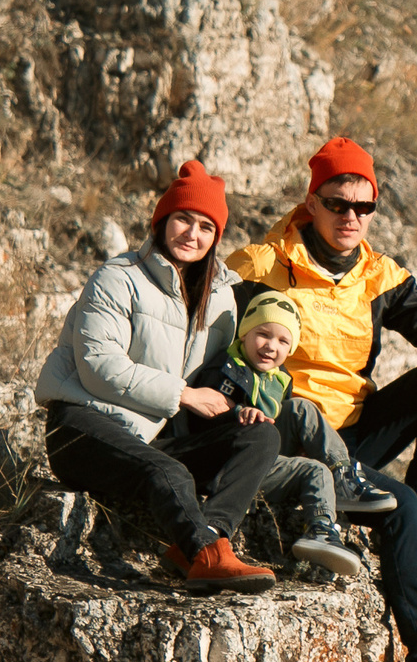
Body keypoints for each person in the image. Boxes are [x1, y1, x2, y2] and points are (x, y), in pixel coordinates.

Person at [225, 136, 417, 662]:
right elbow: (209, 334)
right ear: (311, 201)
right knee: (391, 504)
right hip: (288, 431)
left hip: (352, 432)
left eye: (364, 206)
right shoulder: (264, 264)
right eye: (337, 203)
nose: (351, 217)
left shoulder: (378, 274)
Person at [33, 159, 280, 594]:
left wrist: (239, 411)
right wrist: (184, 394)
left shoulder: (221, 298)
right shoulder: (118, 277)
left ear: (216, 237)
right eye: (183, 219)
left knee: (260, 436)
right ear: (162, 221)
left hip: (151, 433)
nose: (192, 234)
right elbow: (98, 367)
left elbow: (218, 374)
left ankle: (209, 540)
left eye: (206, 227)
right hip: (82, 423)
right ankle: (204, 553)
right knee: (168, 473)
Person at [173, 287, 391, 581]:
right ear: (245, 334)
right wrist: (236, 413)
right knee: (301, 427)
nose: (270, 346)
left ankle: (323, 525)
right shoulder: (226, 369)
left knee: (313, 460)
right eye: (263, 334)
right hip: (224, 459)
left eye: (282, 340)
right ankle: (340, 479)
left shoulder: (280, 379)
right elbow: (202, 423)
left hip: (262, 458)